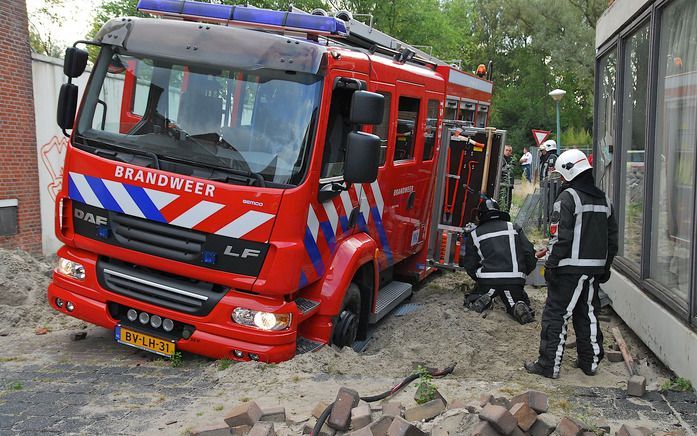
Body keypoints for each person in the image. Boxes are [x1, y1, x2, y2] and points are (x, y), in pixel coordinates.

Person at [524, 149, 618, 379]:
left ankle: (549, 366)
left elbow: (561, 238)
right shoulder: (604, 200)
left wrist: (552, 266)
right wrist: (605, 268)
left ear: (569, 172)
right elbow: (612, 240)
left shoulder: (567, 198)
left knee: (556, 315)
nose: (562, 180)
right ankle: (590, 362)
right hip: (593, 270)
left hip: (568, 269)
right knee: (588, 314)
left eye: (562, 175)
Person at [462, 198, 537, 324]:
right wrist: (522, 273)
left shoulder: (475, 234)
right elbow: (530, 253)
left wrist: (478, 277)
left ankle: (482, 298)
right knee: (514, 300)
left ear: (480, 215)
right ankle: (518, 305)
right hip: (514, 278)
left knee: (477, 294)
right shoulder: (514, 228)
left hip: (488, 279)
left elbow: (469, 264)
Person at [498, 145, 514, 212]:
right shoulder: (501, 159)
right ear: (503, 150)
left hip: (509, 185)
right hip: (502, 184)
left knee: (508, 202)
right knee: (502, 201)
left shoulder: (511, 160)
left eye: (509, 151)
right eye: (506, 150)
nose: (508, 152)